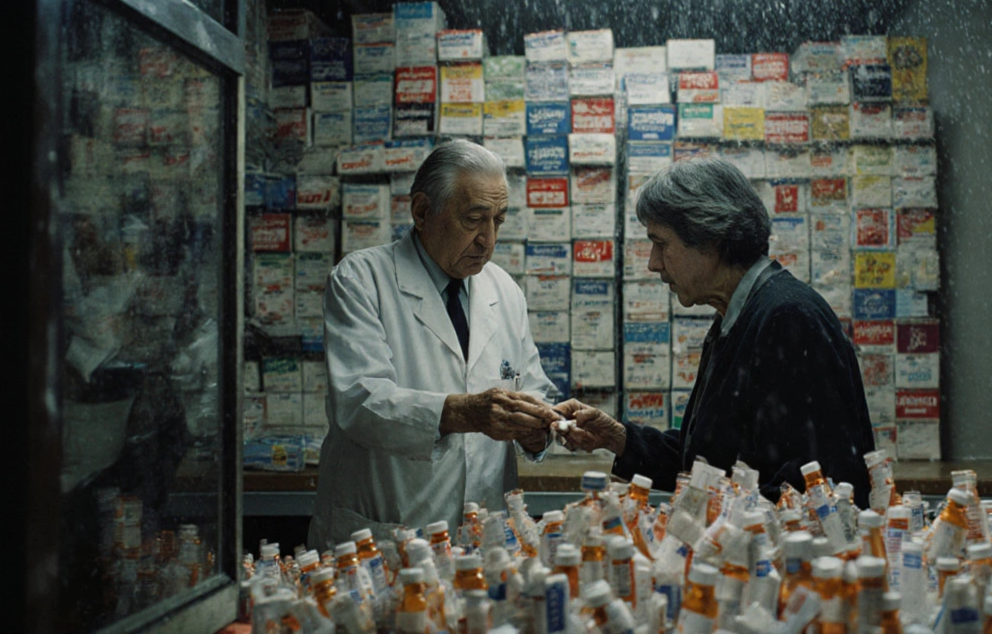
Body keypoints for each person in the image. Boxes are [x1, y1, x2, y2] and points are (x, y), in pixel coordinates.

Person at [555, 158, 875, 503]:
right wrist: (618, 439)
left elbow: (818, 485)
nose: (652, 263)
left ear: (710, 238)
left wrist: (707, 526)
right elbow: (710, 463)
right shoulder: (736, 315)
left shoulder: (788, 318)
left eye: (661, 243)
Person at [308, 140, 561, 549]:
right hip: (389, 534)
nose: (488, 239)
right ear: (423, 211)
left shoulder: (504, 290)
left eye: (499, 220)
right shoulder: (361, 280)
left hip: (483, 539)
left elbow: (529, 385)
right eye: (475, 219)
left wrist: (537, 429)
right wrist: (466, 412)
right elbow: (359, 402)